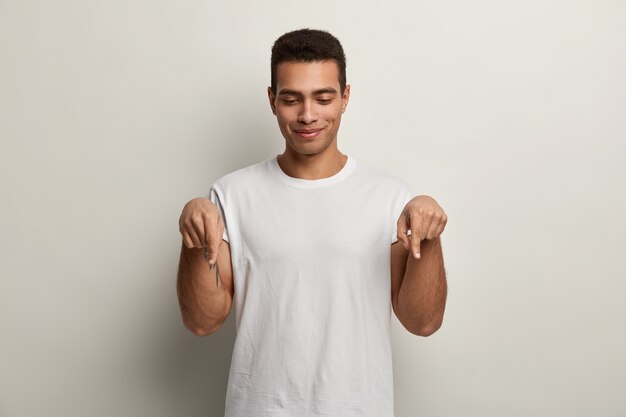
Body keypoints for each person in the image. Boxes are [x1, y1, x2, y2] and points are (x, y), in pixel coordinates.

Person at [176, 28, 448, 417]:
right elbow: (202, 321)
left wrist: (431, 238)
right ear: (272, 101)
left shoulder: (389, 196)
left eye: (323, 98)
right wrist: (193, 238)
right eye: (291, 99)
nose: (307, 115)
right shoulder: (232, 194)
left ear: (345, 98)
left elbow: (422, 322)